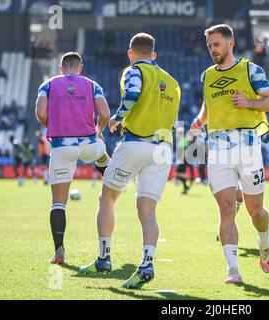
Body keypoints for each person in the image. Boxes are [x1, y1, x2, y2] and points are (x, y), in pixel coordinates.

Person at [79, 33, 181, 289]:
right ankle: (147, 263)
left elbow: (133, 94)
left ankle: (104, 258)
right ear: (154, 54)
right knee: (147, 210)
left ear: (130, 53)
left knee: (107, 198)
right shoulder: (173, 82)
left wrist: (116, 118)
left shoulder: (133, 70)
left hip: (135, 143)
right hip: (163, 150)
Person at [191, 24, 269, 284]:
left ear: (230, 43)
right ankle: (233, 269)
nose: (212, 50)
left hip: (249, 147)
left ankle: (264, 241)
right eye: (209, 46)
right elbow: (207, 107)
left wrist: (249, 103)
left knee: (255, 211)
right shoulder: (207, 75)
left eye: (216, 45)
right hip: (218, 148)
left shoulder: (251, 69)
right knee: (226, 208)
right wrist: (199, 121)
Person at [35, 52, 111, 264]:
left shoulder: (48, 85)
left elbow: (40, 112)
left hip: (61, 148)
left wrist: (54, 126)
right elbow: (105, 113)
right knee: (101, 153)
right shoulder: (91, 84)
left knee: (58, 202)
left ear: (61, 68)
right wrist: (98, 129)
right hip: (88, 144)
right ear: (80, 68)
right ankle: (110, 174)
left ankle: (59, 252)